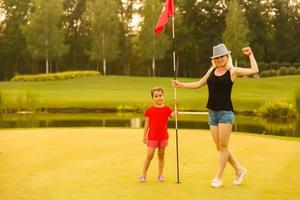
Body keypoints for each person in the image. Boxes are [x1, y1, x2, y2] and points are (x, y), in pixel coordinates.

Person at [172, 44, 259, 188]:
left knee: (223, 146)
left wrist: (250, 55)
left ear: (227, 56)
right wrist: (180, 85)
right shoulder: (212, 70)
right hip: (212, 113)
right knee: (220, 147)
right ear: (214, 59)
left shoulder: (233, 71)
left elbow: (254, 70)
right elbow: (199, 84)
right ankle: (239, 169)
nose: (219, 59)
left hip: (226, 112)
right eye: (217, 57)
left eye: (222, 56)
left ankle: (218, 178)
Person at [139, 87, 177, 183]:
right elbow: (147, 124)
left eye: (160, 96)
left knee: (161, 155)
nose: (158, 98)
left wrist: (177, 105)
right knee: (150, 155)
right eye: (156, 96)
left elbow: (174, 115)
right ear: (152, 98)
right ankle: (143, 175)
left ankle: (160, 175)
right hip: (152, 137)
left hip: (163, 136)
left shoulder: (167, 109)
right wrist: (144, 135)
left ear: (163, 96)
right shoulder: (150, 110)